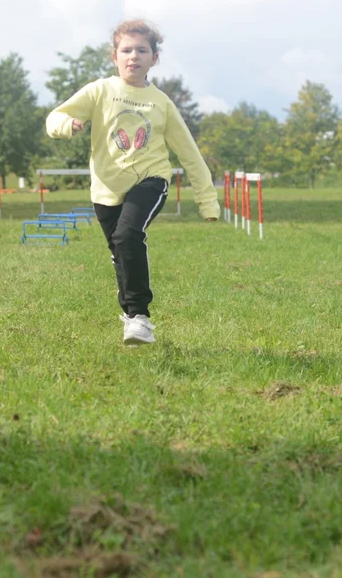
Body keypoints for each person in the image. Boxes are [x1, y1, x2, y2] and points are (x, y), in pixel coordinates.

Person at [45, 19, 219, 346]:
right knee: (119, 252)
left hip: (150, 180)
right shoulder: (100, 91)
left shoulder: (161, 103)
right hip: (106, 189)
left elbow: (190, 154)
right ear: (115, 56)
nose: (133, 56)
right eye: (126, 50)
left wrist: (207, 201)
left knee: (128, 235)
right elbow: (53, 117)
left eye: (142, 50)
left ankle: (140, 316)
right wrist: (66, 125)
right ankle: (129, 315)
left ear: (154, 58)